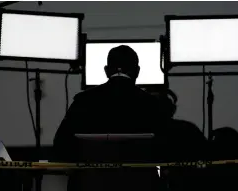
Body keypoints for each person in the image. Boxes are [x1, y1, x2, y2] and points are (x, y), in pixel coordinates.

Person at [53, 45, 165, 191]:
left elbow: (61, 144)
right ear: (137, 71)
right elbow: (165, 147)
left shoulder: (83, 100)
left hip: (89, 183)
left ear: (107, 71)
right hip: (139, 183)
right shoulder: (151, 104)